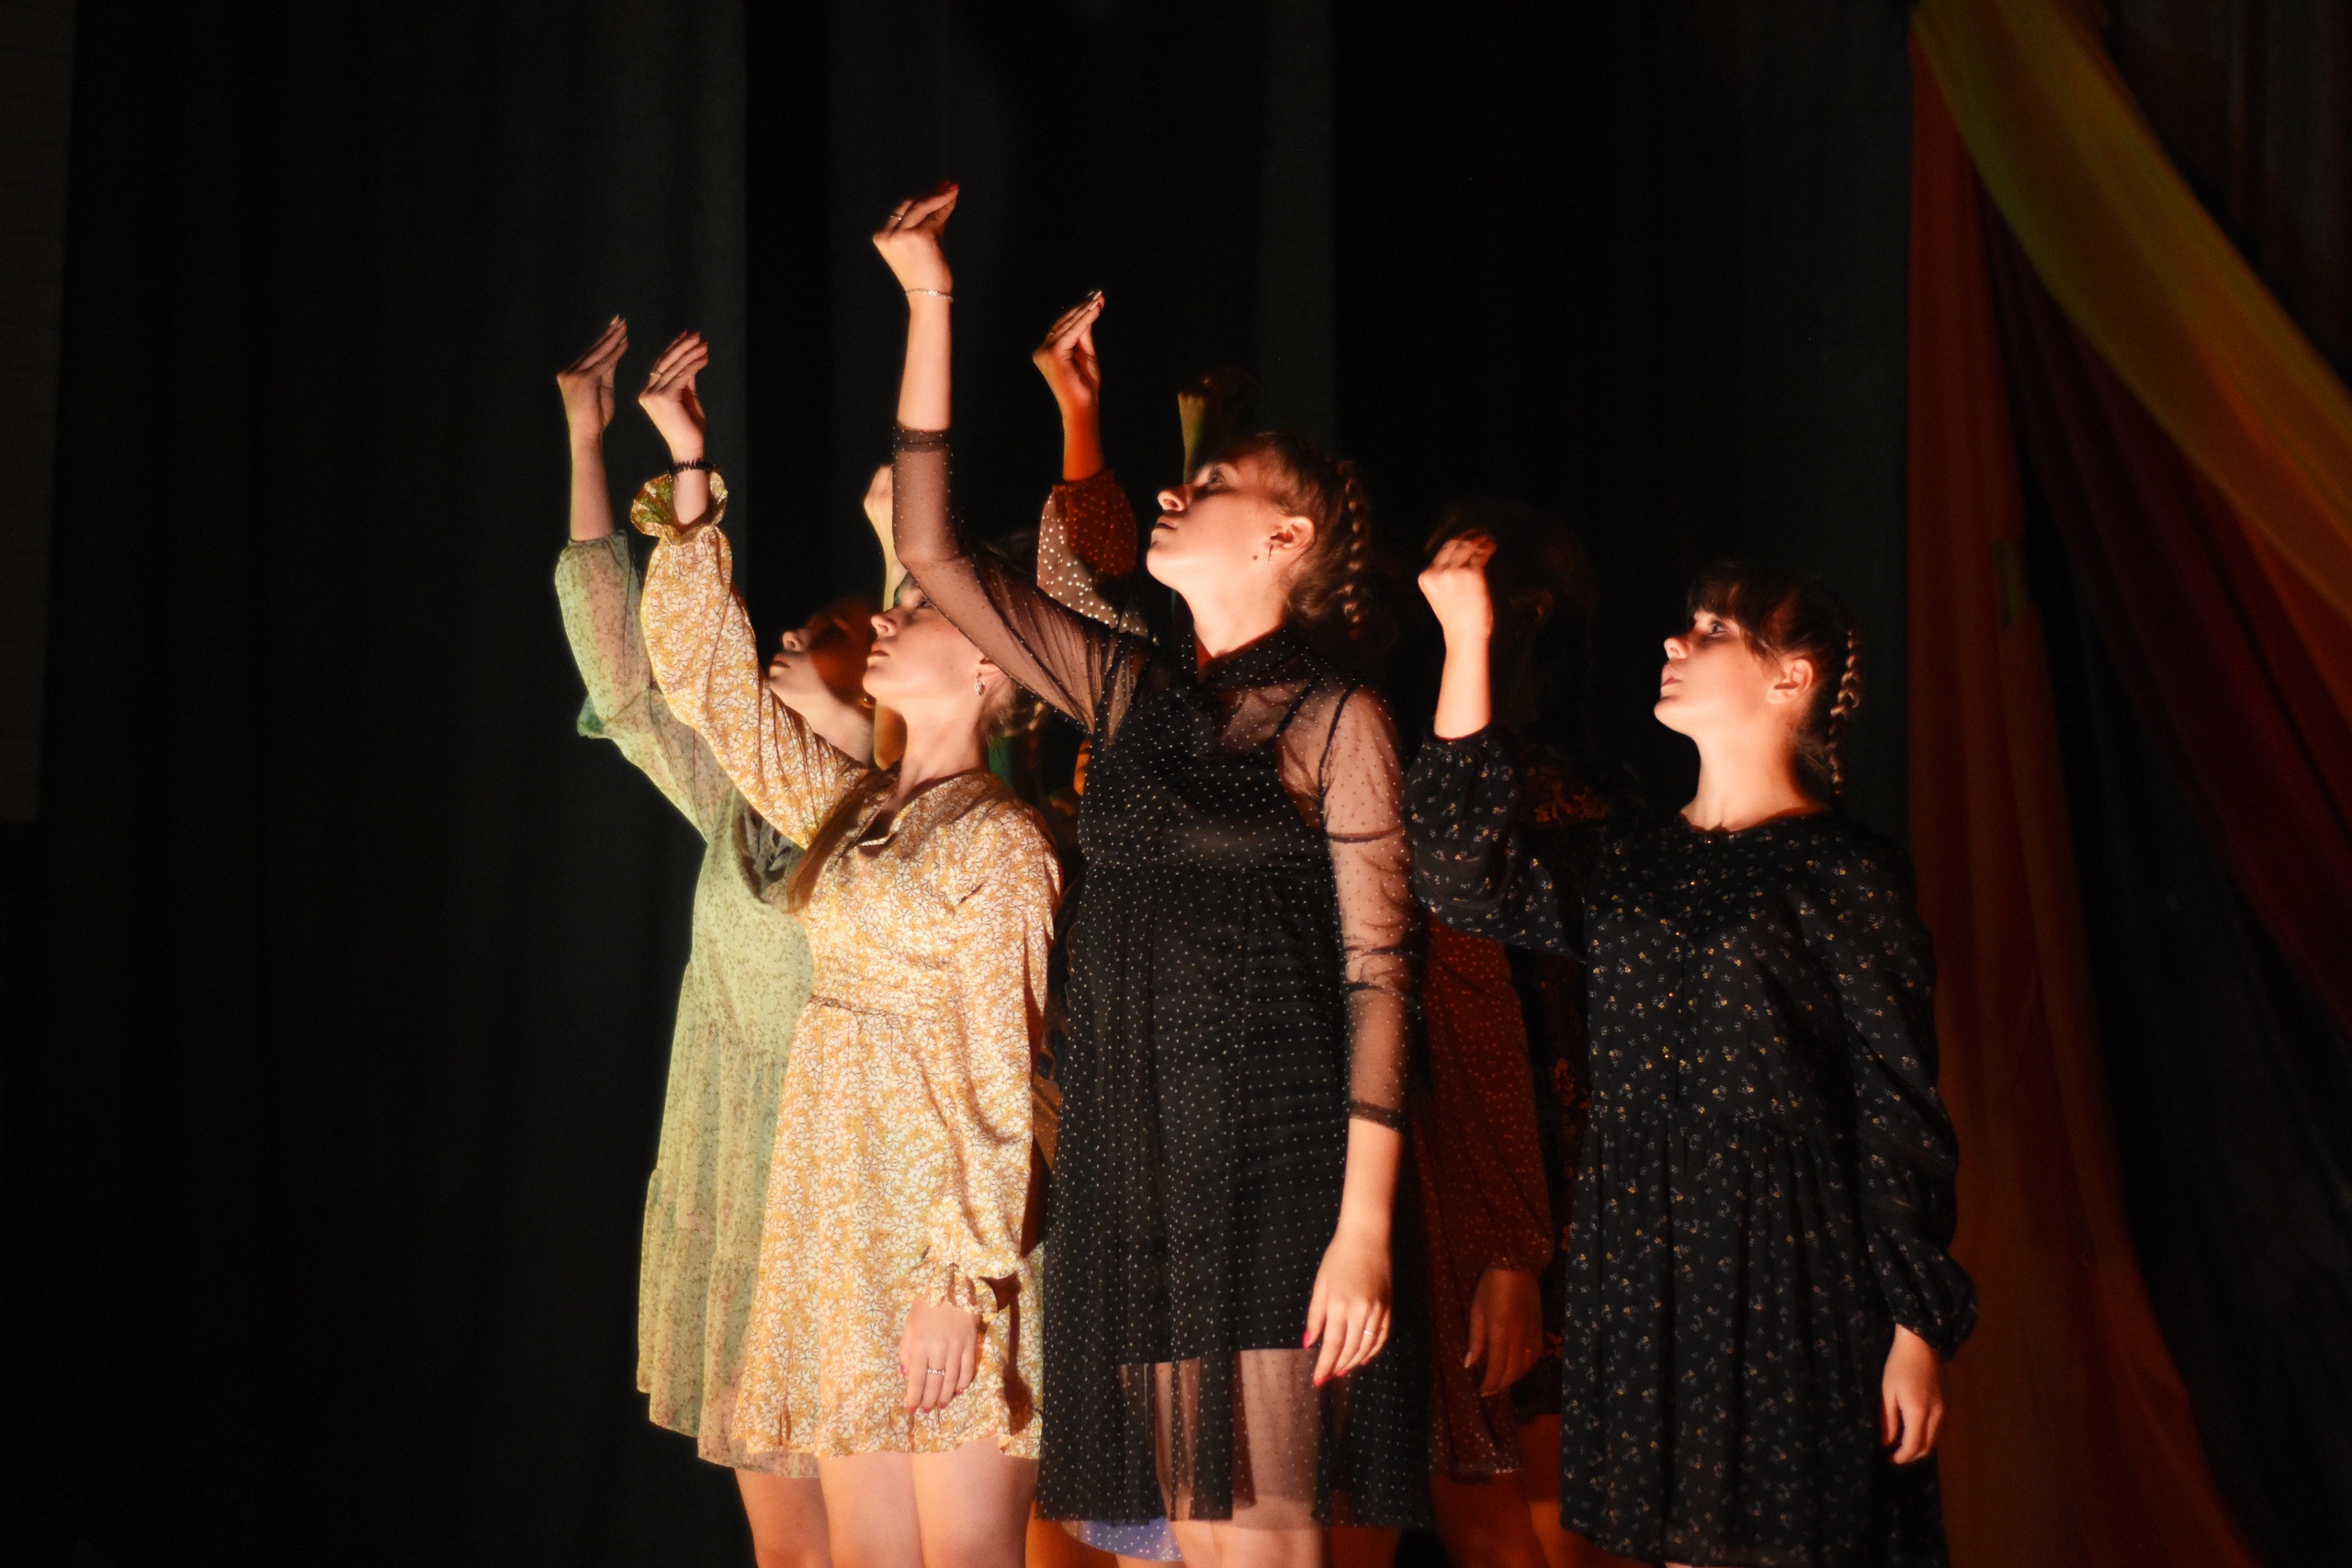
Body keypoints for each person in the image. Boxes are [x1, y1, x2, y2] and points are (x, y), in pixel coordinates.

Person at [874, 182, 1428, 1568]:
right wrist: (929, 299)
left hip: (1277, 1151)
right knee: (1191, 1536)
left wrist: (1363, 1230)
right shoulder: (1127, 689)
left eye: (1215, 485)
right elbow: (933, 547)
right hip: (1134, 1155)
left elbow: (1381, 975)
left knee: (1266, 1537)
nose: (1178, 489)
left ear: (1287, 539)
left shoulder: (1336, 718)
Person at [1409, 547, 1976, 1568]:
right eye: (1688, 621)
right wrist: (1465, 640)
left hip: (1784, 1263)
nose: (1676, 639)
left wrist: (1916, 1327)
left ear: (1790, 677)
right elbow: (1458, 871)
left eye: (1716, 628)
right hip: (1642, 1253)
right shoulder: (1630, 854)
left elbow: (1898, 1107)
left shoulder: (1841, 869)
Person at [628, 329, 1062, 1568]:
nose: (892, 614)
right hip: (828, 1201)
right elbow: (712, 689)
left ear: (990, 665)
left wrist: (959, 1279)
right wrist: (689, 473)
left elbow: (998, 1065)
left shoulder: (1001, 840)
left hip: (932, 1222)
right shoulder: (853, 811)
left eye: (923, 607)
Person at [555, 320, 882, 1568]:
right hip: (739, 1185)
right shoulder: (742, 803)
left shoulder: (908, 827)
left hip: (849, 1204)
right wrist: (588, 444)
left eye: (831, 625)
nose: (794, 634)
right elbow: (633, 684)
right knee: (787, 1548)